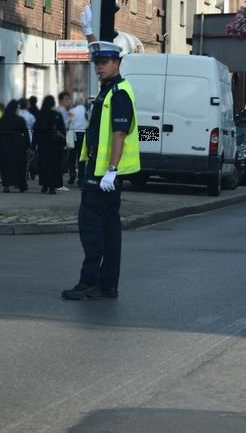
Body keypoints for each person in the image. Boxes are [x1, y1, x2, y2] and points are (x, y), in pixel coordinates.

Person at [62, 41, 140, 301]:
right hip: (102, 173)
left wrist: (111, 170)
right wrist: (89, 33)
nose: (98, 67)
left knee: (91, 228)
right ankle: (108, 285)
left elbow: (120, 133)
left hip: (102, 174)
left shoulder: (118, 93)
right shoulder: (111, 90)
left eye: (104, 62)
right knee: (109, 231)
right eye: (96, 63)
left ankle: (90, 282)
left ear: (117, 63)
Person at [0, 100, 30, 193]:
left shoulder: (3, 119)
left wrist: (4, 133)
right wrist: (28, 145)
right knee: (19, 165)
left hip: (4, 144)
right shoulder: (20, 119)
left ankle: (6, 185)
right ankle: (20, 184)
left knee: (5, 165)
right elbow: (25, 132)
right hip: (18, 144)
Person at [35, 95, 67, 194]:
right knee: (54, 165)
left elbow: (36, 130)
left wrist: (33, 145)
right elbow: (62, 130)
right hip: (55, 144)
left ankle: (44, 185)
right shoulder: (57, 115)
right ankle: (52, 187)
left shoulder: (40, 115)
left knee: (44, 164)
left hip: (43, 143)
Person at [68, 92, 90, 185]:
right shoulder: (86, 111)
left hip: (74, 134)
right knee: (82, 157)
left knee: (72, 156)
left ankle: (72, 173)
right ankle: (81, 178)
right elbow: (90, 121)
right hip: (84, 134)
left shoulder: (72, 111)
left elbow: (68, 123)